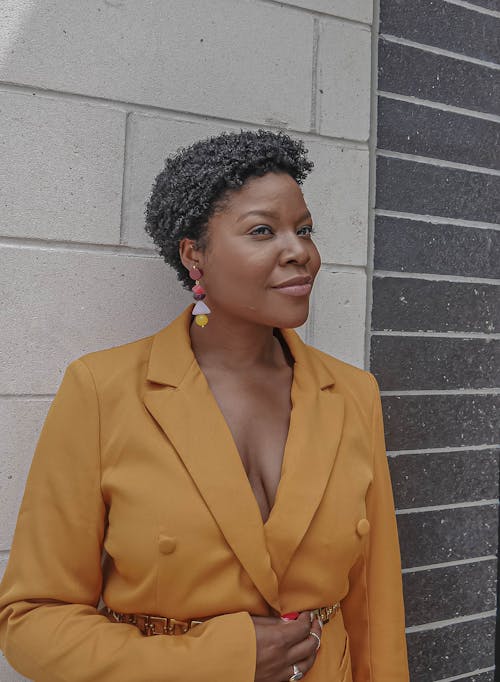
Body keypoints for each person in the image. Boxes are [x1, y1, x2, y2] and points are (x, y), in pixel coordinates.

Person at [0, 129, 409, 681]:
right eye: (263, 231)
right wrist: (214, 661)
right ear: (194, 254)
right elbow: (30, 620)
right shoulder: (105, 390)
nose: (301, 252)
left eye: (304, 229)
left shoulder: (353, 394)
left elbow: (375, 606)